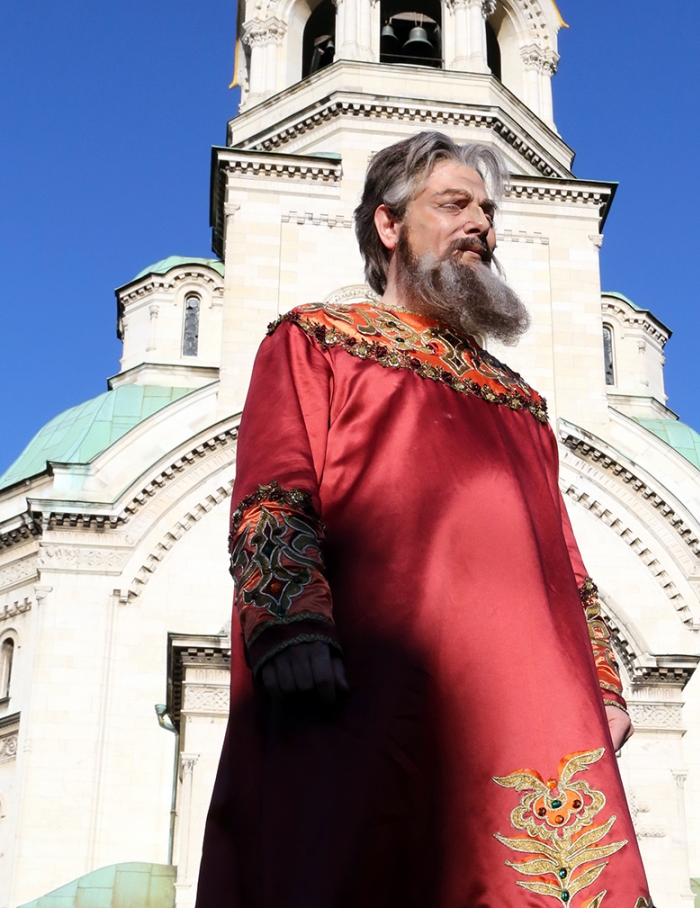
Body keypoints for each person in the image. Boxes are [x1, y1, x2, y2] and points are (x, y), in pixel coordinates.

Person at [195, 131, 652, 908]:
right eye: (454, 204)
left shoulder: (521, 401)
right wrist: (290, 625)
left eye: (487, 209)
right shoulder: (316, 341)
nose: (482, 224)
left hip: (527, 698)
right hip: (364, 684)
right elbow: (275, 488)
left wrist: (604, 683)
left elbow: (564, 562)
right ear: (388, 224)